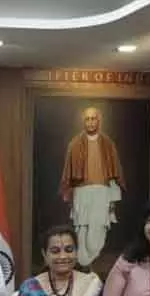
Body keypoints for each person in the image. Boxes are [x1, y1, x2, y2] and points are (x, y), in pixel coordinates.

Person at [59, 106, 125, 268]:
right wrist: (70, 195)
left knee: (98, 230)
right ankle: (82, 265)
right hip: (82, 192)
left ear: (98, 120)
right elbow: (69, 175)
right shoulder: (74, 144)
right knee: (82, 229)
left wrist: (113, 198)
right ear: (84, 122)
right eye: (87, 119)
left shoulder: (107, 144)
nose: (90, 122)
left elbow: (114, 174)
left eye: (93, 118)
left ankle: (90, 262)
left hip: (102, 192)